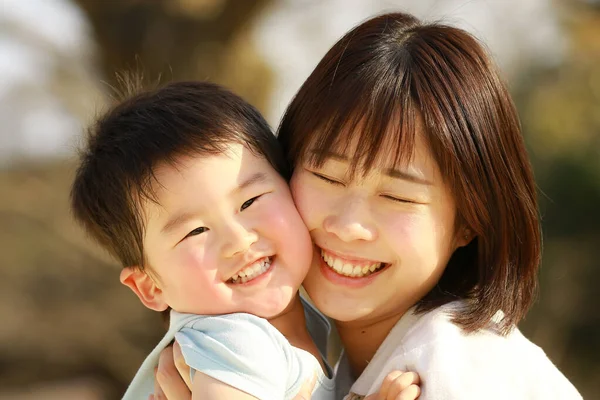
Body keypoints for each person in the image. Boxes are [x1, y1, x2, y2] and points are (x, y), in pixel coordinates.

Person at [154, 12, 582, 400]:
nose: (348, 225)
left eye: (397, 195)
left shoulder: (456, 366)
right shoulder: (323, 369)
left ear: (468, 221)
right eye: (327, 176)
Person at [70, 81, 419, 400]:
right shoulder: (235, 343)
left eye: (250, 202)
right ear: (150, 286)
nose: (239, 240)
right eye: (195, 231)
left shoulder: (288, 329)